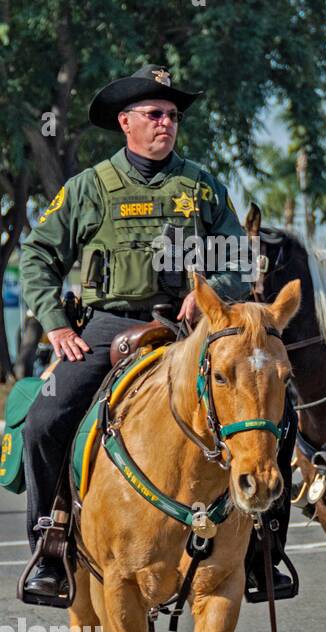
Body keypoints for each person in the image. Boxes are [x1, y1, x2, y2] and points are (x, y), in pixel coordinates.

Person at [19, 65, 293, 604]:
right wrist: (54, 325)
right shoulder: (89, 187)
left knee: (278, 408)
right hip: (112, 325)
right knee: (45, 418)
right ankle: (51, 545)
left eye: (172, 114)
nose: (166, 122)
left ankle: (265, 546)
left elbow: (239, 255)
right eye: (154, 114)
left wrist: (211, 289)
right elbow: (37, 254)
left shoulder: (202, 184)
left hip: (192, 327)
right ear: (126, 122)